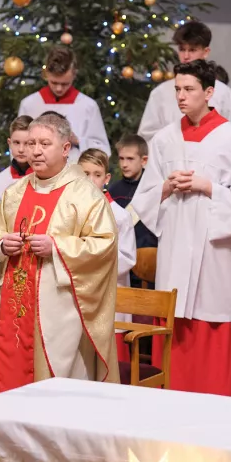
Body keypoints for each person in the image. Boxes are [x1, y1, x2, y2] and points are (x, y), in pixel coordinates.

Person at [131, 59, 231, 397]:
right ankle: (171, 393)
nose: (181, 97)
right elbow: (145, 197)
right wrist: (167, 187)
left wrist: (207, 186)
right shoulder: (165, 139)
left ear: (209, 93)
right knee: (176, 315)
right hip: (175, 240)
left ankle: (217, 397)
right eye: (177, 90)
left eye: (189, 90)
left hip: (215, 250)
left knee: (209, 314)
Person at [0, 113, 120, 393]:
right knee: (11, 377)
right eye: (31, 143)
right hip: (15, 310)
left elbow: (104, 245)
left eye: (45, 143)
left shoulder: (85, 195)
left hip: (60, 315)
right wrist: (2, 245)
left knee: (56, 390)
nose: (35, 151)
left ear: (66, 148)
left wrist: (57, 247)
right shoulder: (14, 192)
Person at [79, 148, 138, 359]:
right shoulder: (70, 211)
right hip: (80, 293)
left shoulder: (120, 216)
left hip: (110, 293)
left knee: (112, 360)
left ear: (106, 178)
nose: (90, 180)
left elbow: (128, 258)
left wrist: (92, 259)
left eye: (96, 174)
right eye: (85, 174)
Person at [138, 21, 231, 139]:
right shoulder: (160, 93)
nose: (186, 56)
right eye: (182, 49)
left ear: (205, 52)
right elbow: (147, 137)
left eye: (192, 50)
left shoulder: (225, 95)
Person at [17, 47, 109, 162]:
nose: (59, 89)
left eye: (65, 83)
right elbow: (18, 145)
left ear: (74, 75)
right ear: (46, 74)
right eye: (54, 82)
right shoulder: (29, 104)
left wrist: (78, 141)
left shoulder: (88, 106)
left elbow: (104, 151)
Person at [108, 134, 158, 251]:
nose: (124, 165)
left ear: (144, 160)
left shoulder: (155, 188)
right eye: (121, 158)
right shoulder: (113, 191)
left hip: (151, 253)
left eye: (130, 159)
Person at [0, 115, 33, 211]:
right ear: (9, 143)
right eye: (16, 142)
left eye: (27, 143)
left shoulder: (46, 178)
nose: (21, 149)